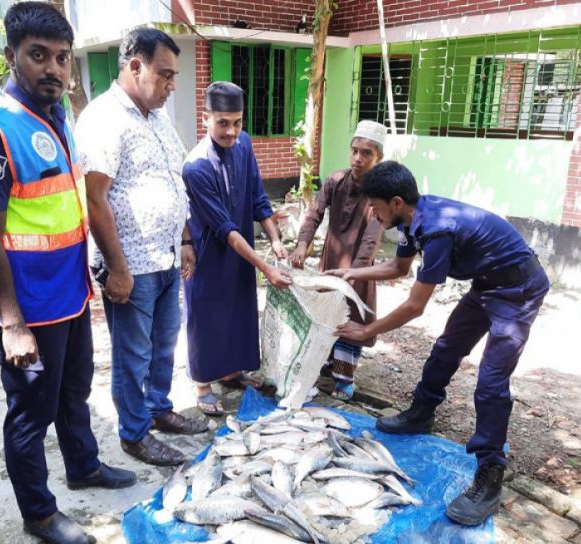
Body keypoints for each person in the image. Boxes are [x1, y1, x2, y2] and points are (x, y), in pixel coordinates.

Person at [0, 3, 135, 543]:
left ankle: (83, 465)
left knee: (74, 390)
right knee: (30, 413)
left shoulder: (58, 115)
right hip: (28, 305)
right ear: (11, 56)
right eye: (38, 56)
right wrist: (11, 325)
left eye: (62, 58)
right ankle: (39, 515)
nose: (53, 69)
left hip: (70, 292)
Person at [328, 161, 549, 526]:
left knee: (491, 380)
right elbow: (398, 269)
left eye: (376, 206)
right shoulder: (410, 221)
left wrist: (367, 331)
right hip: (487, 284)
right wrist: (353, 272)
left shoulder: (436, 229)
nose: (372, 213)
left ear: (396, 202)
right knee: (446, 348)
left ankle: (491, 475)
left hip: (518, 290)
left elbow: (415, 306)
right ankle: (421, 413)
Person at [74, 28, 206, 467]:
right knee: (133, 354)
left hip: (166, 255)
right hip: (130, 263)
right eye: (165, 75)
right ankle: (134, 433)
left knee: (164, 345)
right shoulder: (103, 119)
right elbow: (95, 199)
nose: (172, 86)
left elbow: (173, 180)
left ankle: (158, 409)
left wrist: (185, 238)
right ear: (135, 66)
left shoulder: (157, 117)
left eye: (174, 77)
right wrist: (117, 269)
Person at [182, 81, 292, 416]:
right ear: (206, 119)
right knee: (205, 315)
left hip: (241, 248)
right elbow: (224, 228)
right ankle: (202, 382)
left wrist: (274, 238)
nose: (231, 131)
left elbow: (258, 196)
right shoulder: (196, 166)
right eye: (223, 123)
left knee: (238, 310)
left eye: (238, 122)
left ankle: (230, 372)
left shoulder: (244, 144)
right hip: (209, 251)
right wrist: (266, 267)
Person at [290, 120, 386, 401]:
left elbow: (372, 236)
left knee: (350, 319)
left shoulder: (378, 193)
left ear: (378, 158)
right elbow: (314, 214)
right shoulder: (335, 180)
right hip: (329, 263)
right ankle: (326, 364)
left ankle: (344, 377)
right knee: (325, 316)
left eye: (366, 153)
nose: (358, 158)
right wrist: (302, 244)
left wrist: (354, 273)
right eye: (354, 151)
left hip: (357, 271)